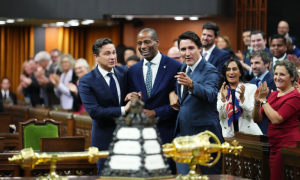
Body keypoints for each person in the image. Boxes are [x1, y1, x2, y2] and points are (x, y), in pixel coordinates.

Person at [78, 38, 136, 175]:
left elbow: (135, 92)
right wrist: (124, 109)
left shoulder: (124, 72)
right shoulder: (87, 80)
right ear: (96, 57)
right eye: (107, 53)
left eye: (114, 53)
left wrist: (134, 96)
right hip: (104, 139)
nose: (112, 57)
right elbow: (95, 111)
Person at [128, 28, 181, 174]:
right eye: (139, 43)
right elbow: (130, 98)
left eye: (146, 42)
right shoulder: (133, 70)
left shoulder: (174, 66)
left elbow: (179, 102)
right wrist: (132, 100)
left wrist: (155, 112)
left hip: (165, 133)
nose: (142, 46)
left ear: (157, 42)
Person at [171, 31, 224, 175]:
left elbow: (211, 94)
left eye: (191, 48)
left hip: (205, 137)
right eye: (183, 49)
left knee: (211, 177)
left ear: (200, 48)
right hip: (183, 135)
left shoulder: (210, 70)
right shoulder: (183, 68)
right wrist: (172, 94)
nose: (187, 53)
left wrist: (192, 85)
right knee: (184, 177)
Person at [253, 60, 300, 180]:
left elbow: (277, 119)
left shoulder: (295, 96)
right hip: (273, 144)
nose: (277, 77)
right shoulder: (273, 95)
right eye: (276, 74)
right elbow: (257, 118)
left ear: (292, 77)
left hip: (287, 146)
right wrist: (257, 103)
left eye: (282, 74)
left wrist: (264, 101)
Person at [217, 59, 262, 137]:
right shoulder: (220, 91)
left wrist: (243, 99)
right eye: (228, 70)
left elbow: (253, 116)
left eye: (234, 69)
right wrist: (223, 99)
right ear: (225, 73)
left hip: (249, 135)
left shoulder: (251, 88)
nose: (231, 72)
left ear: (240, 72)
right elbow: (217, 117)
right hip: (227, 137)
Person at [249, 50, 277, 134]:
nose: (253, 66)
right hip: (253, 128)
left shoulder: (273, 81)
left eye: (257, 63)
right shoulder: (251, 82)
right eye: (251, 63)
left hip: (266, 129)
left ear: (267, 64)